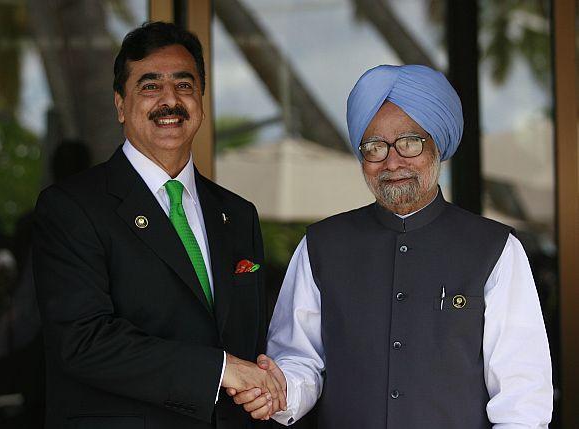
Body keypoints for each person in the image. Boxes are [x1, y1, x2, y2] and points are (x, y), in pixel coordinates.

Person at [231, 64, 553, 428]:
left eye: (410, 142)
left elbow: (522, 394)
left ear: (437, 146)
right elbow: (299, 359)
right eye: (375, 147)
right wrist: (278, 391)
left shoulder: (496, 249)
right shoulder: (321, 245)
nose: (393, 161)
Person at [32, 22, 285, 429]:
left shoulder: (238, 215)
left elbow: (257, 338)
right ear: (120, 105)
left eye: (185, 85)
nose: (170, 100)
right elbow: (82, 341)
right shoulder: (71, 207)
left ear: (200, 100)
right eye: (150, 86)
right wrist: (220, 370)